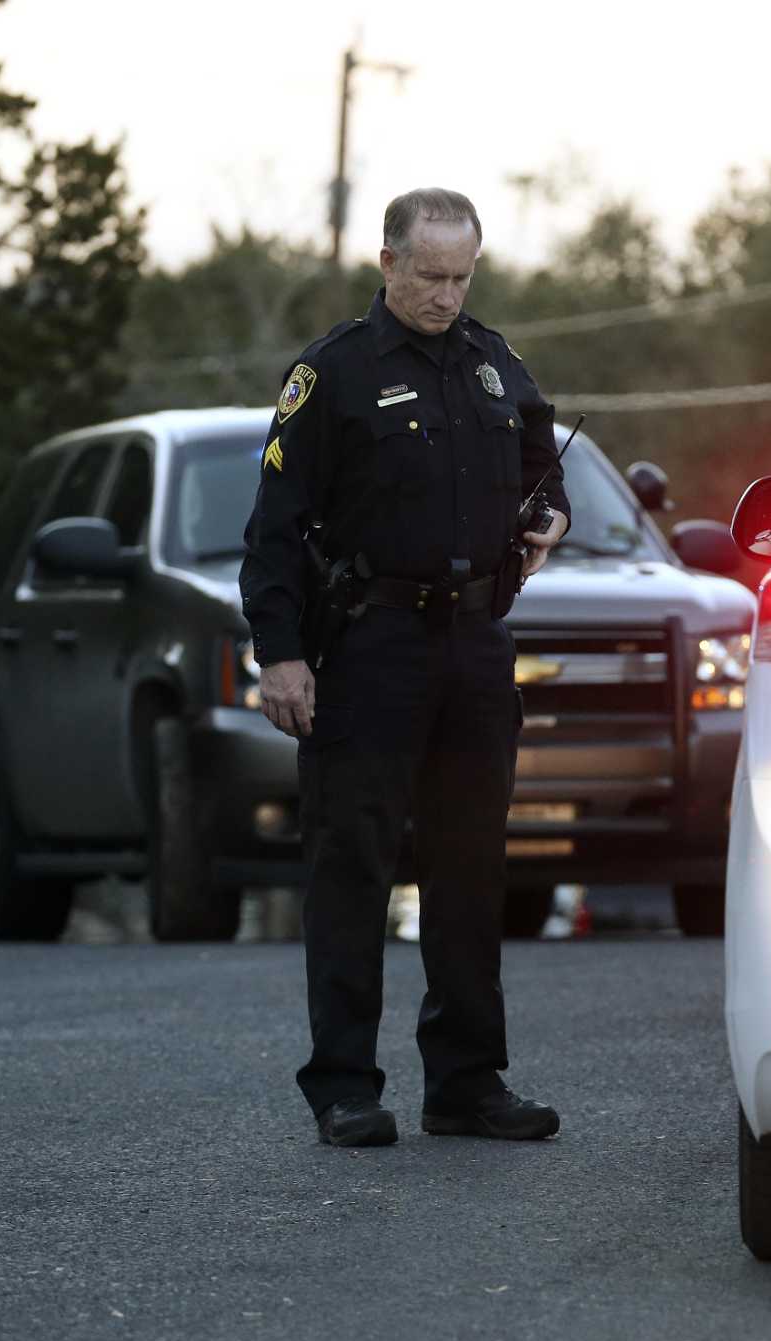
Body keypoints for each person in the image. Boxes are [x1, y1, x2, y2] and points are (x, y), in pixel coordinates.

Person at [240, 187, 571, 1148]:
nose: (445, 294)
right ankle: (344, 1083)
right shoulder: (332, 374)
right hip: (371, 643)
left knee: (471, 865)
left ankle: (467, 1081)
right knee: (353, 865)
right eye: (429, 275)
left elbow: (546, 471)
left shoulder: (494, 362)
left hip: (473, 644)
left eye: (461, 276)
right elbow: (270, 532)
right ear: (387, 263)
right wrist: (283, 653)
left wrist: (550, 521)